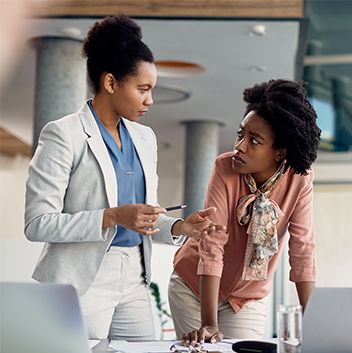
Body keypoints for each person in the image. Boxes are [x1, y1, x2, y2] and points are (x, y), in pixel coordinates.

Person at [25, 15, 224, 341]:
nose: (150, 100)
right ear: (110, 83)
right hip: (83, 278)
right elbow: (38, 223)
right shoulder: (64, 135)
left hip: (135, 276)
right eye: (143, 89)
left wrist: (179, 227)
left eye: (152, 90)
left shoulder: (145, 139)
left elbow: (143, 217)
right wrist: (112, 216)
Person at [168, 79, 321, 343]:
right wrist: (209, 324)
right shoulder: (224, 168)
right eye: (241, 134)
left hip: (246, 299)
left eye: (254, 140)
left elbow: (302, 252)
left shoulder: (300, 179)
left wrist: (317, 328)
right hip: (193, 287)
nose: (240, 145)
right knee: (204, 348)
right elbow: (212, 244)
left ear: (279, 152)